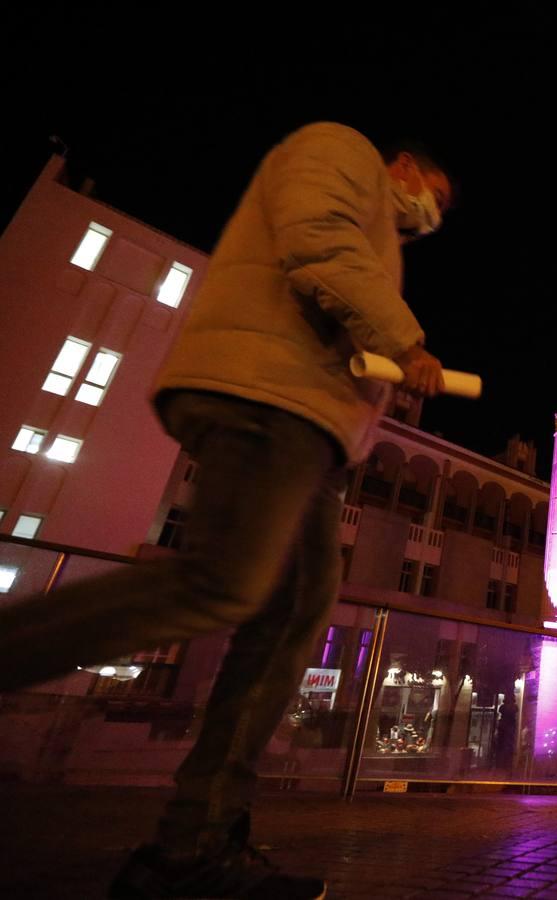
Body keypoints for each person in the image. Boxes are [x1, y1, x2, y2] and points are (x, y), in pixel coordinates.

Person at [0, 123, 454, 899]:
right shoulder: (339, 149)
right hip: (262, 398)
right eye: (431, 200)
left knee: (288, 622)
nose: (428, 218)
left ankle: (193, 846)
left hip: (312, 431)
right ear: (404, 167)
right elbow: (316, 241)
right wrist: (406, 341)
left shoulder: (382, 228)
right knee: (220, 584)